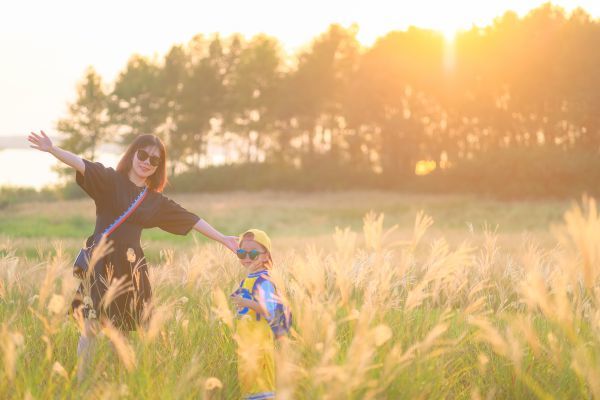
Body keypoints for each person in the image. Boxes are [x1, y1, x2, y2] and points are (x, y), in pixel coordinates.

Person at [28, 130, 239, 379]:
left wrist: (224, 239)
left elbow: (191, 219)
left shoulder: (154, 201)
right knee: (91, 326)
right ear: (132, 154)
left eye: (154, 160)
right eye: (143, 155)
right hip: (100, 262)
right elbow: (82, 164)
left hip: (129, 267)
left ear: (159, 166)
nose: (147, 162)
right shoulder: (110, 180)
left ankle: (116, 383)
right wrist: (52, 149)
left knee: (121, 331)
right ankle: (81, 382)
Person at [231, 229, 292, 400]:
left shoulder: (264, 280)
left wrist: (247, 303)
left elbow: (270, 309)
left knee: (261, 387)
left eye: (253, 253)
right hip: (246, 342)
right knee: (249, 385)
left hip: (259, 343)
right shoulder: (249, 278)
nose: (247, 258)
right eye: (242, 253)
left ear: (266, 255)